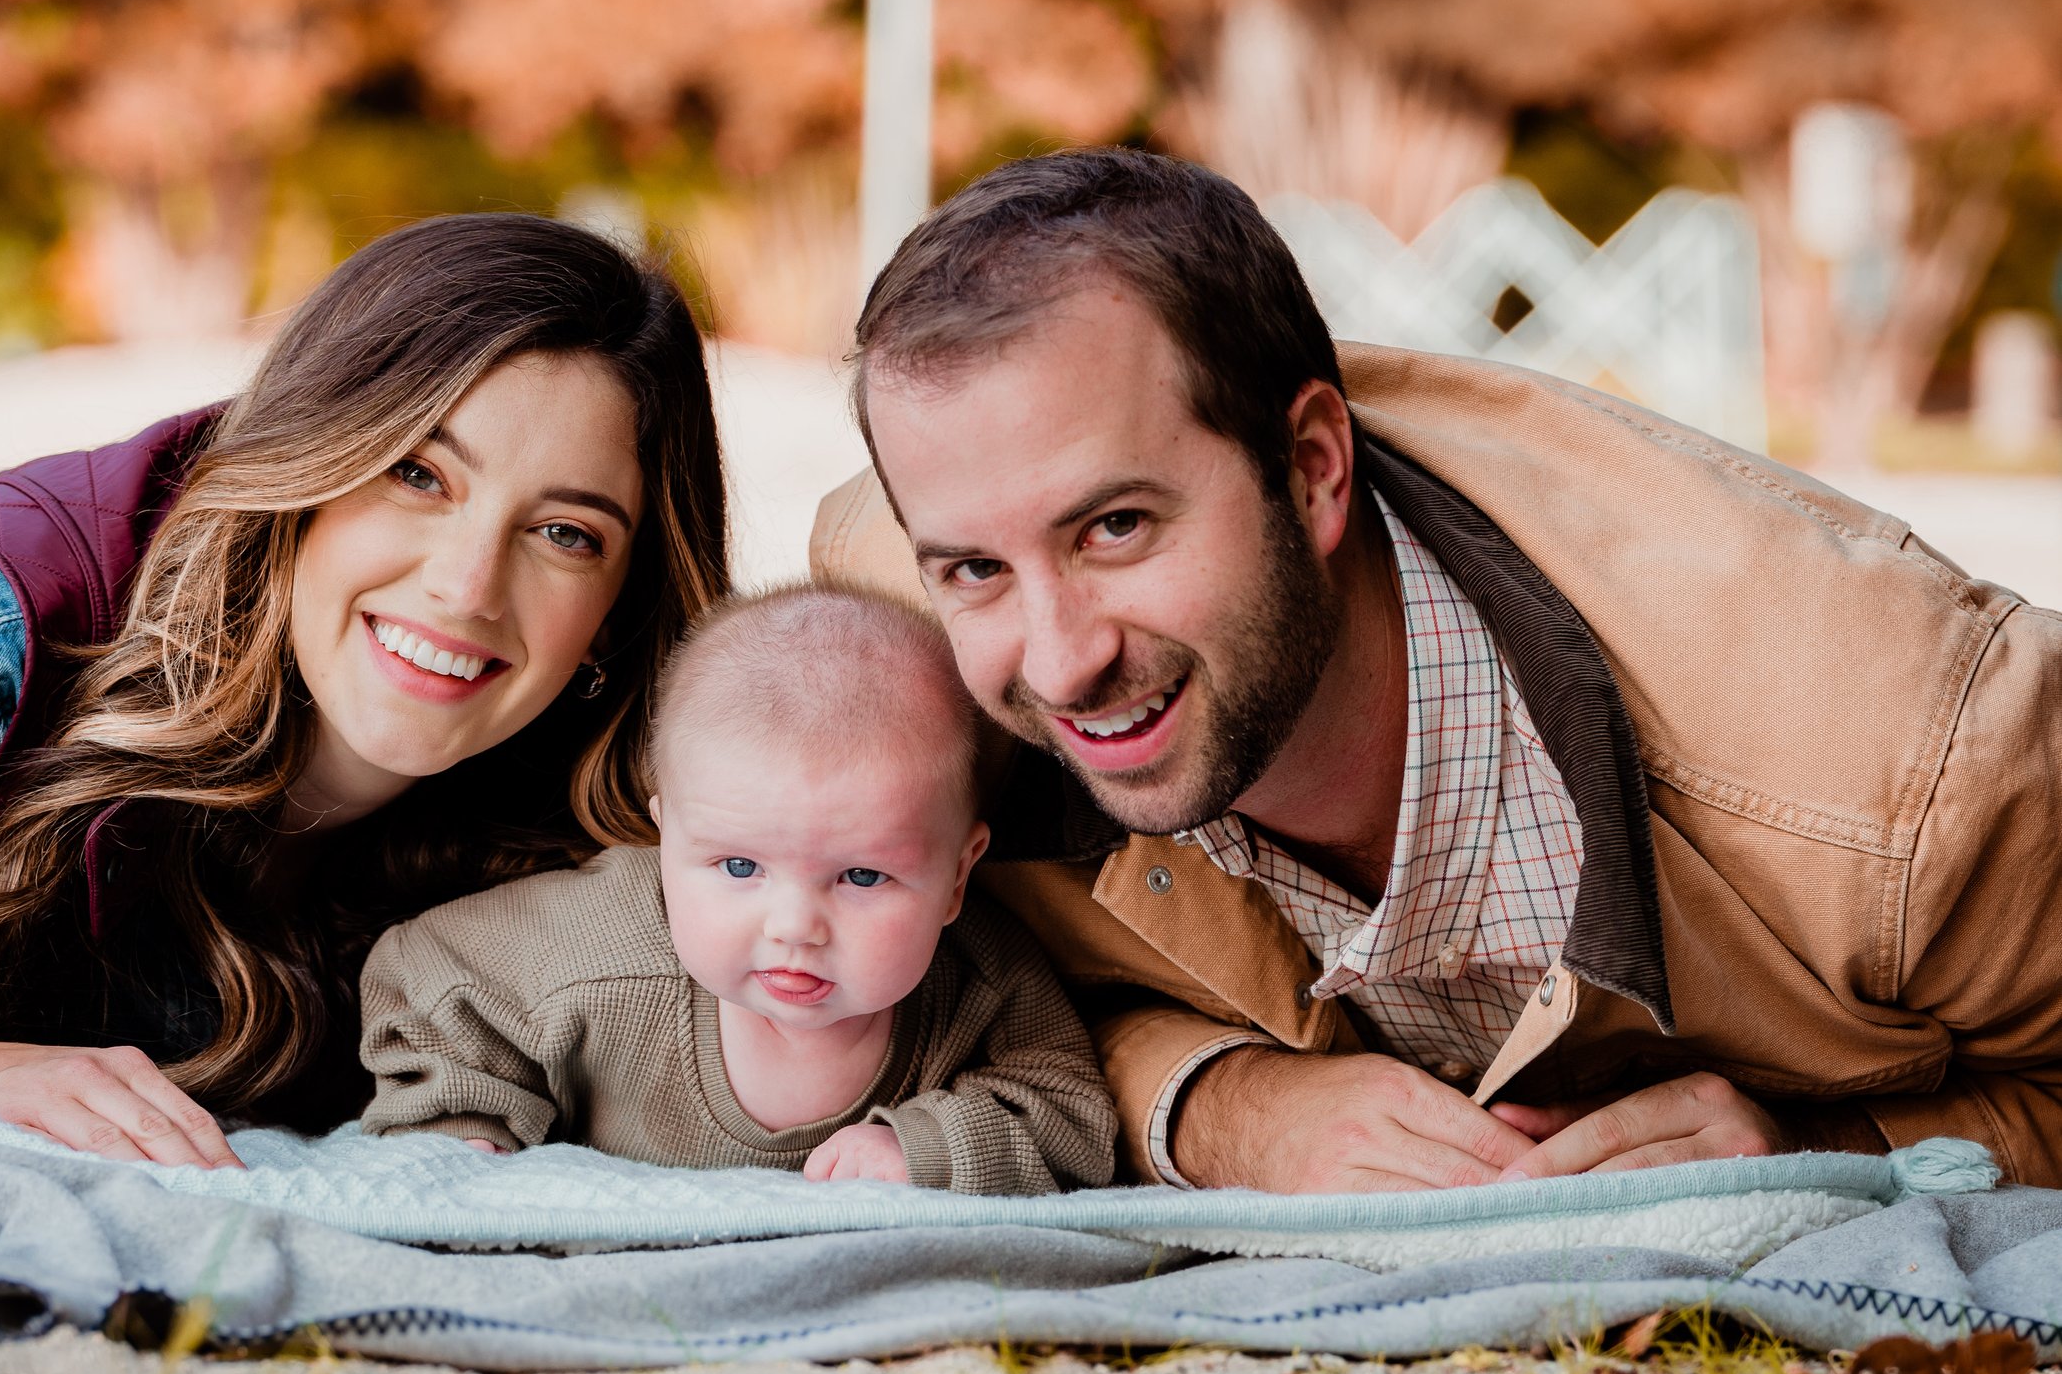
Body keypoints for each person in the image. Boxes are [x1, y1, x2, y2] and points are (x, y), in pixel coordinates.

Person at [812, 146, 2062, 1193]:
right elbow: (927, 997)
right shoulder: (892, 650)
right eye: (974, 567)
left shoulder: (1918, 760)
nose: (1059, 661)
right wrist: (1228, 1108)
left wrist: (1823, 1150)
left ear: (1312, 470)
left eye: (1117, 527)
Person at [0, 214, 730, 1166]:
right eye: (416, 473)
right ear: (307, 465)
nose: (468, 587)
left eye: (566, 532)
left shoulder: (586, 826)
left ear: (616, 615)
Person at [357, 583, 1116, 1195]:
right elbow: (425, 966)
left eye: (861, 875)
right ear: (668, 840)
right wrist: (459, 1120)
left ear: (956, 874)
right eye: (740, 868)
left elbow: (1070, 1114)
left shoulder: (983, 982)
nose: (794, 926)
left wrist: (926, 1148)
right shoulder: (599, 951)